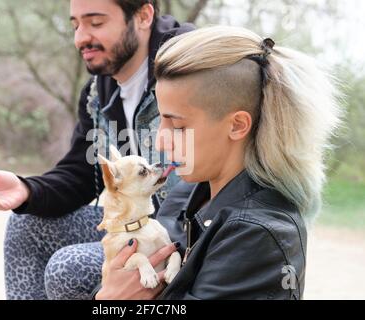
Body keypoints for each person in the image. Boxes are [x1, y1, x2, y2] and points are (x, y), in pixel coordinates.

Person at [93, 26, 343, 300]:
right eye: (161, 120)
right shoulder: (188, 194)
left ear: (237, 125)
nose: (161, 141)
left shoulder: (256, 236)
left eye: (177, 125)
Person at [0, 0, 194, 299]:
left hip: (185, 229)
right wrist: (27, 189)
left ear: (143, 15)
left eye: (95, 23)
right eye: (75, 25)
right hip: (133, 224)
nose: (81, 38)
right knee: (25, 224)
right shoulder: (97, 93)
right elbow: (81, 172)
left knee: (69, 266)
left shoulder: (190, 70)